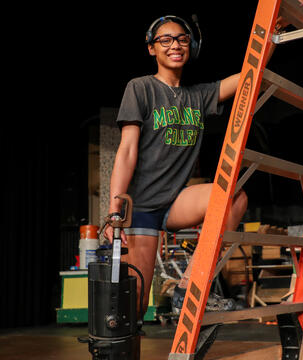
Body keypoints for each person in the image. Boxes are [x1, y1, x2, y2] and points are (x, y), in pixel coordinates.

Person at [107, 14, 246, 319]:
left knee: (234, 197)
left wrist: (273, 34)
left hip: (176, 201)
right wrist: (115, 207)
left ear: (191, 46)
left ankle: (189, 285)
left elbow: (251, 74)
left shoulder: (198, 96)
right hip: (141, 206)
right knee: (136, 304)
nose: (175, 45)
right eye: (165, 40)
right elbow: (127, 149)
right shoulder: (140, 87)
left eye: (182, 39)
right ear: (151, 49)